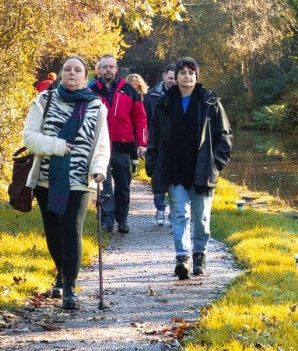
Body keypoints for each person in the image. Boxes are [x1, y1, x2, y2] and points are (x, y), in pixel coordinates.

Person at [22, 56, 110, 310]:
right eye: (68, 69)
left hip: (81, 180)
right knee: (53, 231)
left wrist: (98, 170)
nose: (72, 73)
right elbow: (30, 138)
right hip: (47, 179)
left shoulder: (96, 107)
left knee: (72, 228)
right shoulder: (44, 101)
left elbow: (102, 143)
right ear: (61, 74)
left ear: (85, 77)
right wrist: (59, 146)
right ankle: (61, 271)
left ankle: (70, 287)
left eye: (78, 70)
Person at [145, 57, 232, 279]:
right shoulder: (164, 102)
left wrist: (216, 164)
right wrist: (153, 163)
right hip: (175, 168)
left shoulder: (210, 101)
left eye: (190, 73)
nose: (186, 76)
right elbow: (154, 136)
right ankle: (182, 257)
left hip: (202, 169)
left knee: (201, 217)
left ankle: (200, 255)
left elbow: (225, 136)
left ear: (196, 76)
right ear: (176, 76)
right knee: (179, 214)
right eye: (182, 72)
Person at [89, 55, 147, 235]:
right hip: (99, 145)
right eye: (104, 67)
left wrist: (142, 142)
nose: (108, 70)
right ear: (99, 69)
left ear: (116, 69)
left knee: (123, 185)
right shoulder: (90, 91)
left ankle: (122, 219)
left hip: (123, 146)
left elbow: (140, 118)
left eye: (111, 67)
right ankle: (106, 221)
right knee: (103, 185)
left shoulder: (129, 90)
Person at [142, 64, 176, 225]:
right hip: (157, 143)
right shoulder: (151, 97)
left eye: (175, 78)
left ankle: (175, 212)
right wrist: (145, 143)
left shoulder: (183, 96)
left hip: (177, 145)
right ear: (164, 77)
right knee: (158, 177)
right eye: (170, 78)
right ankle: (160, 209)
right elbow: (145, 121)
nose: (173, 81)